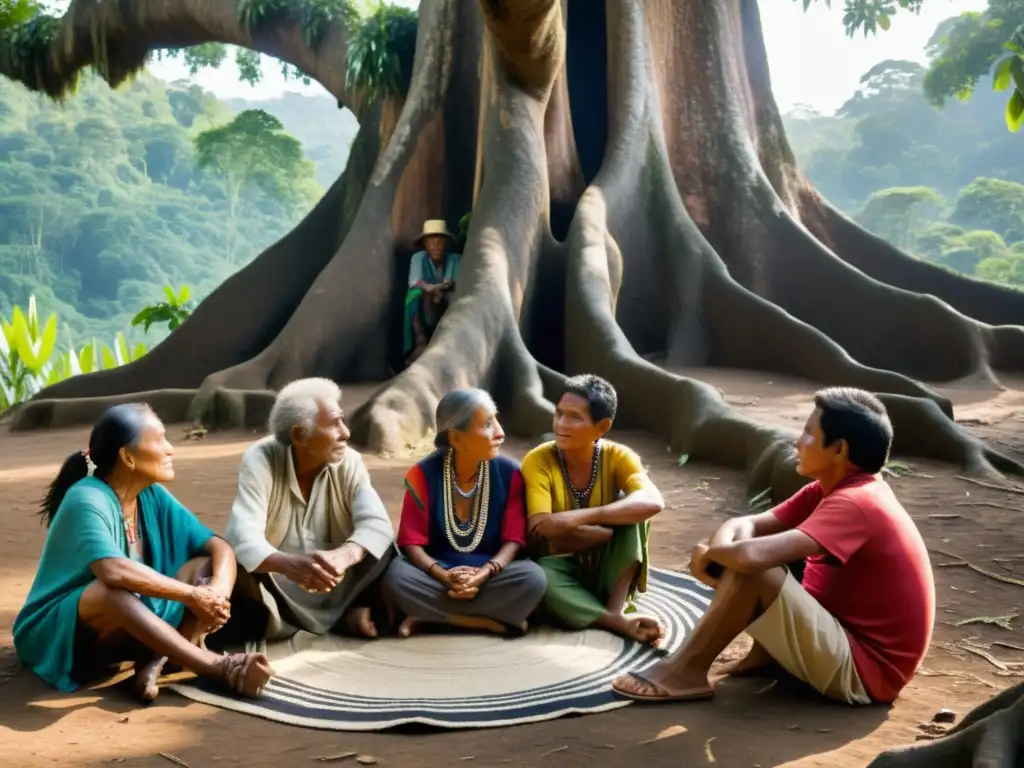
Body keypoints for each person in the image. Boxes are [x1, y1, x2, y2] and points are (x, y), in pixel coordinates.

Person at [611, 387, 935, 706]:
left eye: (809, 433)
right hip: (843, 644)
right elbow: (748, 524)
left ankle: (684, 673)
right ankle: (765, 657)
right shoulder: (828, 490)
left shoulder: (857, 502)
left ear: (839, 450)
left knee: (755, 568)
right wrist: (720, 550)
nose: (798, 441)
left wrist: (714, 555)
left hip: (866, 674)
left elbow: (752, 556)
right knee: (750, 558)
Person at [13, 404, 273, 703]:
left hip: (128, 628)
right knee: (110, 591)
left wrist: (216, 594)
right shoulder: (86, 497)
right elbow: (112, 571)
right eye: (160, 440)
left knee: (204, 567)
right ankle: (218, 666)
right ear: (127, 457)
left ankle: (160, 657)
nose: (170, 449)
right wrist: (192, 596)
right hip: (59, 636)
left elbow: (219, 547)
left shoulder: (150, 495)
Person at [223, 378, 395, 642]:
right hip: (279, 588)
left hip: (338, 584)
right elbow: (242, 538)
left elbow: (377, 525)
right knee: (227, 566)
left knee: (387, 551)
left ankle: (344, 611)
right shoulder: (260, 459)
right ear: (299, 436)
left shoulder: (350, 461)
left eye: (342, 420)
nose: (346, 433)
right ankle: (338, 618)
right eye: (335, 423)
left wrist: (344, 556)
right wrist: (291, 566)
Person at [383, 388, 547, 637]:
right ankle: (485, 622)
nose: (500, 433)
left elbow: (514, 540)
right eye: (488, 424)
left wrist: (483, 574)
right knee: (397, 577)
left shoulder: (510, 473)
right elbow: (411, 542)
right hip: (436, 573)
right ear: (456, 439)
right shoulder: (422, 474)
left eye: (497, 420)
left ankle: (431, 618)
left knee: (533, 578)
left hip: (493, 573)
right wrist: (444, 575)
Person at [522, 374, 665, 645]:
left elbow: (653, 501)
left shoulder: (619, 456)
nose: (561, 424)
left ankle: (615, 606)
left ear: (602, 427)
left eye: (575, 417)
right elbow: (542, 530)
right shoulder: (539, 460)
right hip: (562, 571)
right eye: (559, 413)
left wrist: (582, 517)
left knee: (633, 508)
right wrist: (607, 533)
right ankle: (616, 620)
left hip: (612, 570)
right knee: (539, 577)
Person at [404, 219, 461, 365]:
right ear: (424, 243)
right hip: (422, 307)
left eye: (440, 239)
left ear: (447, 243)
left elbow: (453, 283)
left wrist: (440, 290)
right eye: (431, 239)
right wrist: (432, 289)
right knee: (415, 294)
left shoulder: (454, 259)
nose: (435, 244)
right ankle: (420, 338)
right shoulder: (419, 258)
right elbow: (416, 282)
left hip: (444, 306)